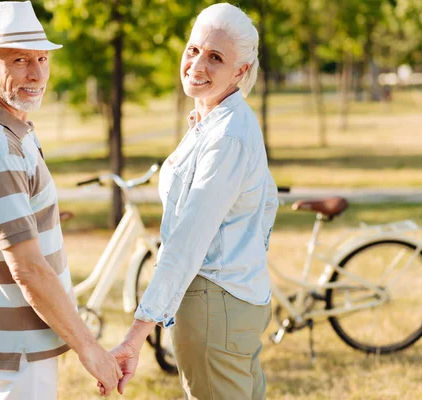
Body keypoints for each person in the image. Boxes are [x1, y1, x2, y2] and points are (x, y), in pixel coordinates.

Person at [0, 2, 122, 398]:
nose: (37, 73)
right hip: (14, 356)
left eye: (42, 58)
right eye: (19, 60)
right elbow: (30, 272)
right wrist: (89, 349)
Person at [110, 3, 279, 399]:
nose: (197, 65)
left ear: (240, 71)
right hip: (235, 301)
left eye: (215, 57)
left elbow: (186, 242)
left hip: (214, 306)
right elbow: (267, 205)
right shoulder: (213, 122)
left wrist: (136, 336)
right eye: (193, 50)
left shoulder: (227, 137)